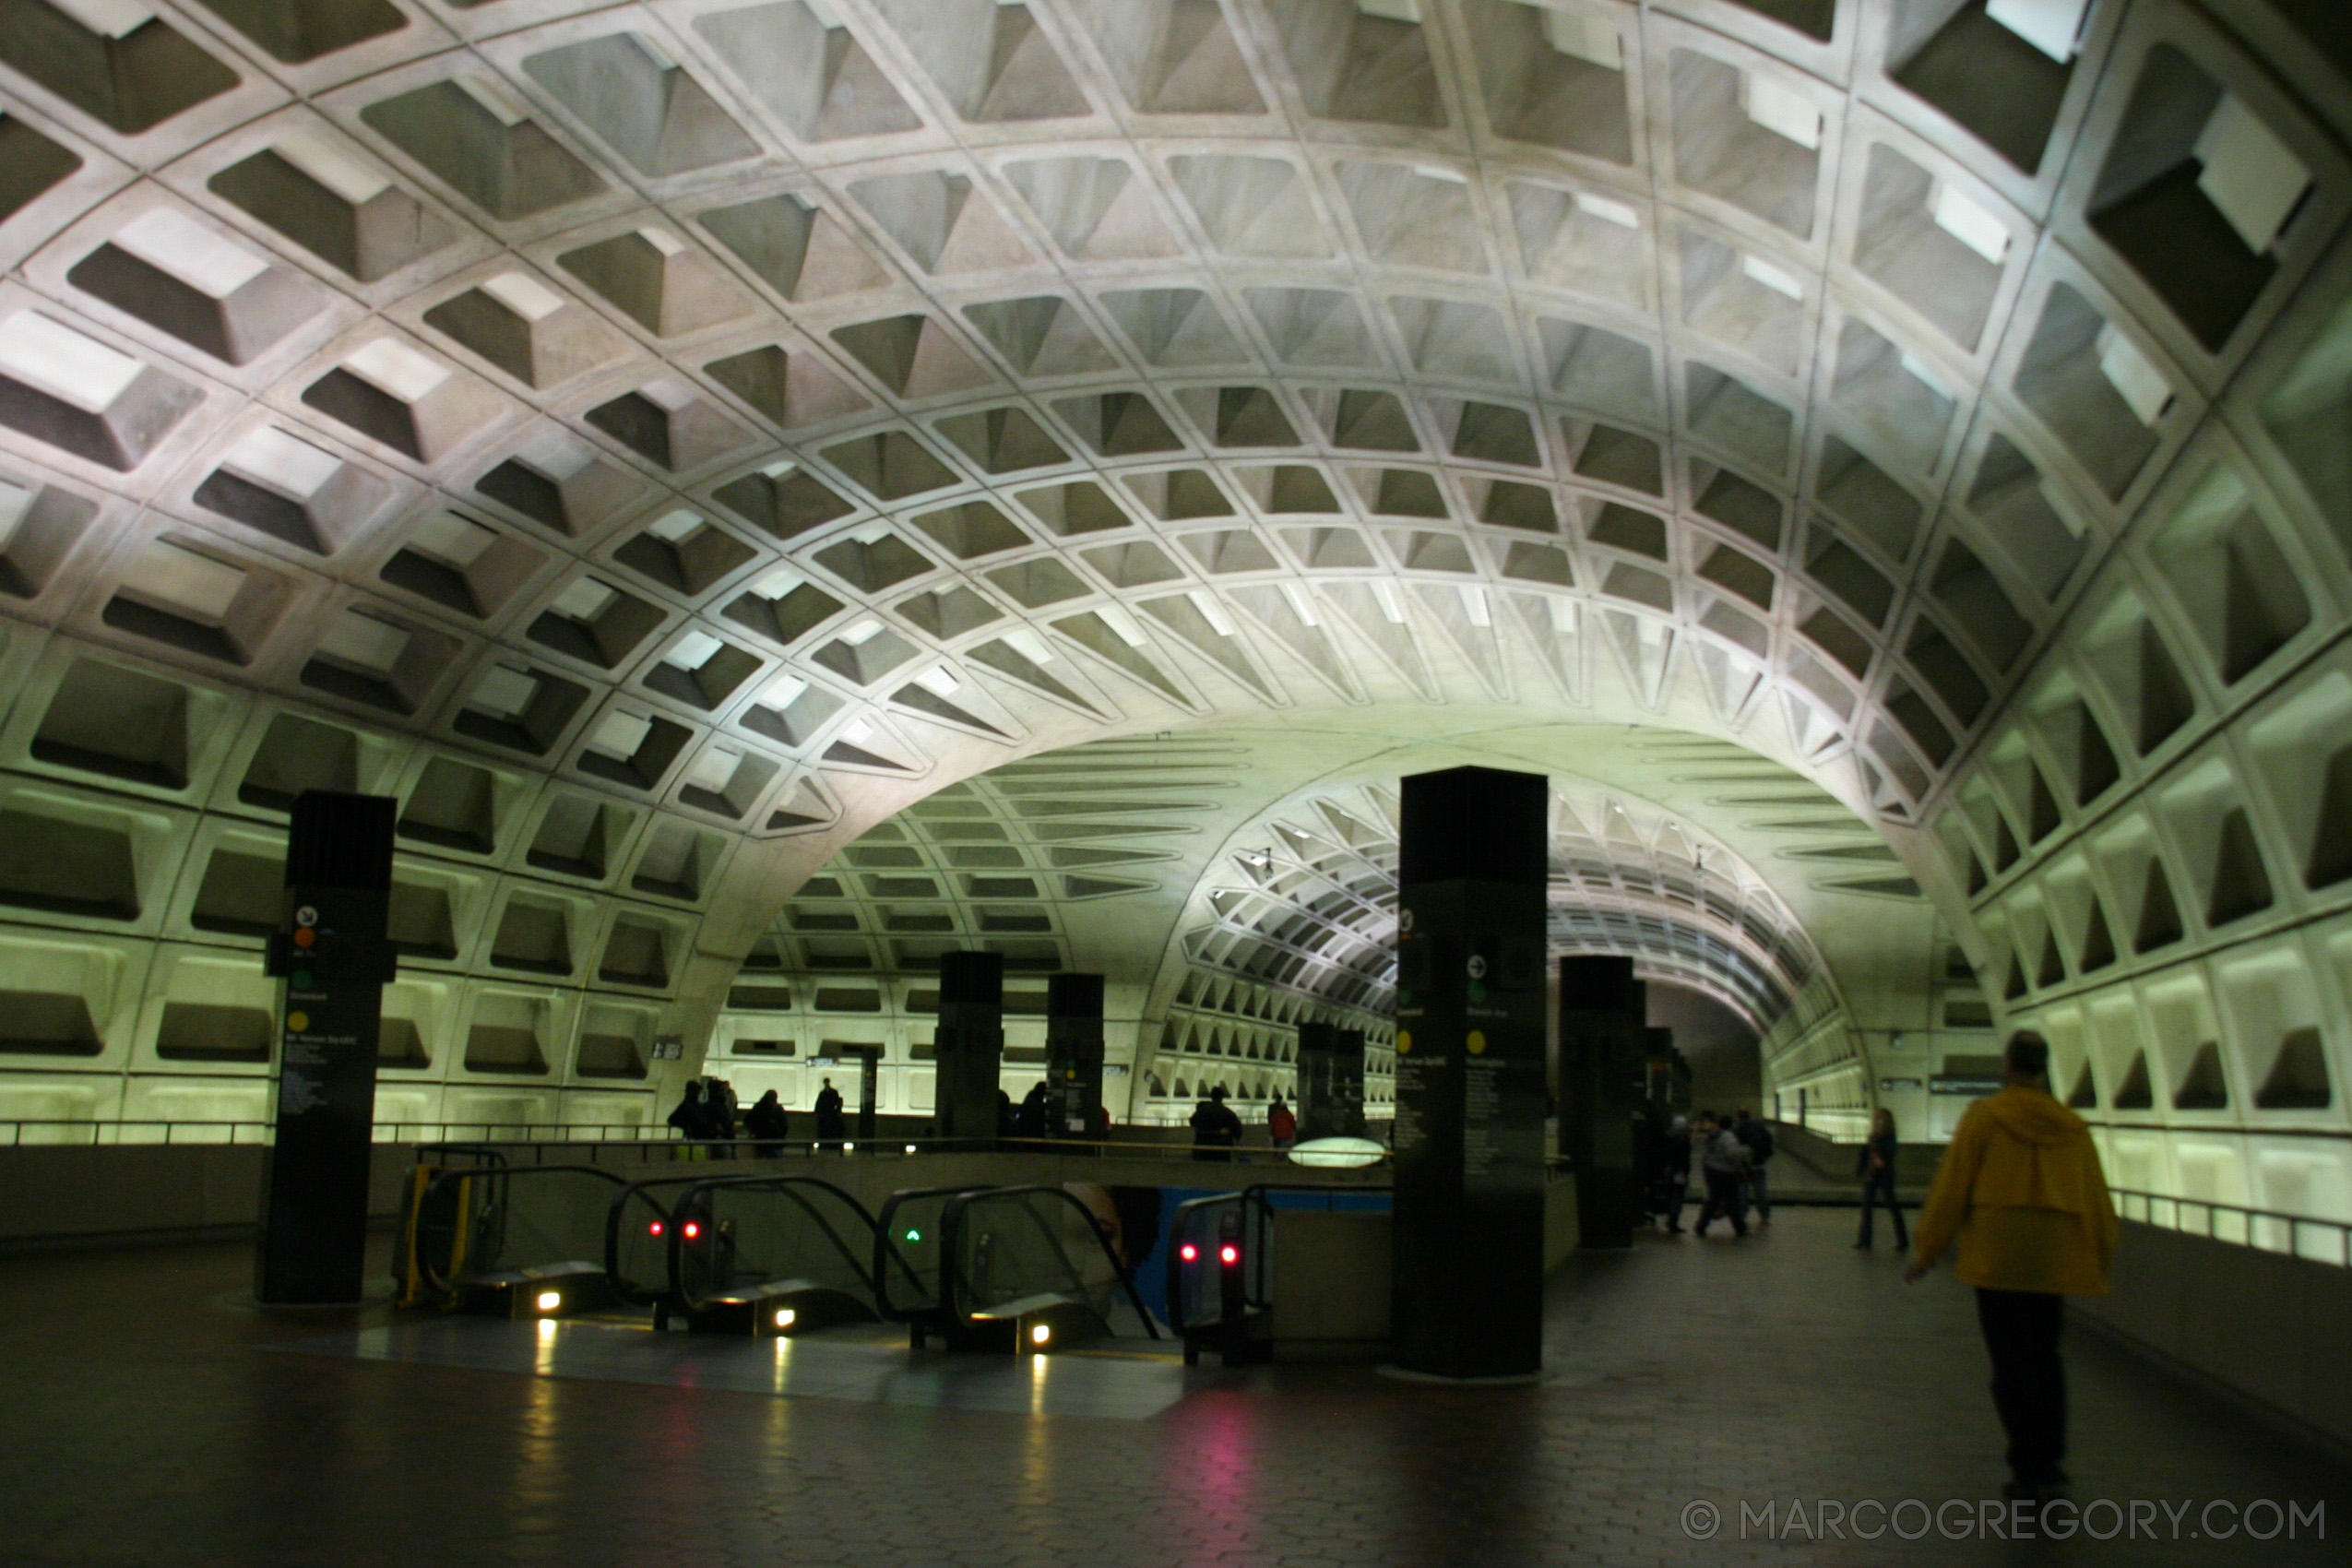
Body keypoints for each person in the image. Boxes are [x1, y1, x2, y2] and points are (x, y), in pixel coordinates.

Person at [1907, 1033, 2119, 1502]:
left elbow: (1953, 1188)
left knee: (2010, 1365)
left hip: (1997, 1260)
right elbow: (2097, 1199)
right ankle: (2050, 1460)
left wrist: (1926, 1251)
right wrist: (2100, 1257)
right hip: (2053, 1262)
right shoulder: (2072, 1127)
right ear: (2043, 1069)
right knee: (2046, 1359)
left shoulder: (1985, 1118)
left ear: (2007, 1067)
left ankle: (2025, 1465)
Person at [1855, 1107, 1906, 1250]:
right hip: (1871, 1175)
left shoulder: (1889, 1138)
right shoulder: (1873, 1136)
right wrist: (1860, 1170)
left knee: (1892, 1206)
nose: (1877, 1121)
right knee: (1866, 1208)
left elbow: (1888, 1155)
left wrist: (1876, 1149)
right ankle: (1864, 1240)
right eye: (1877, 1118)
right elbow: (1865, 1154)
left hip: (1884, 1175)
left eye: (1880, 1119)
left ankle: (1902, 1240)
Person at [1693, 1113, 1751, 1238]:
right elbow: (1732, 1154)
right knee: (1732, 1200)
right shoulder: (1728, 1137)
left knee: (1713, 1199)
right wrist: (1746, 1151)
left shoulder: (1713, 1135)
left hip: (1711, 1170)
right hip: (1725, 1172)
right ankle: (1740, 1228)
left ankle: (1701, 1225)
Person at [1734, 1109, 1775, 1229]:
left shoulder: (1737, 1129)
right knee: (1760, 1191)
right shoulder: (1759, 1127)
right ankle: (1765, 1216)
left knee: (1742, 1192)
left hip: (1743, 1167)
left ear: (1738, 1117)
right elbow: (1769, 1141)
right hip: (1758, 1164)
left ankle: (1742, 1216)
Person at [1657, 1111, 1692, 1234]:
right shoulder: (1684, 1139)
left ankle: (1669, 1218)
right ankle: (1673, 1221)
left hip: (1668, 1168)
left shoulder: (1668, 1136)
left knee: (1670, 1194)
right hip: (1679, 1170)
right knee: (1678, 1195)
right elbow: (1685, 1158)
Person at [1189, 1086, 1243, 1161]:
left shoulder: (1201, 1111)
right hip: (1221, 1151)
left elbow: (1192, 1122)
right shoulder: (1228, 1113)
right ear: (1222, 1097)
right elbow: (1238, 1132)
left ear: (1211, 1096)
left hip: (1202, 1149)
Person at [744, 1089, 789, 1158]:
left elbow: (748, 1120)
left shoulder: (758, 1107)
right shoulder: (778, 1109)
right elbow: (784, 1125)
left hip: (760, 1138)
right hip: (775, 1139)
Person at [667, 1080, 707, 1149]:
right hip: (694, 1139)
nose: (697, 1093)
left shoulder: (692, 1105)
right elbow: (671, 1119)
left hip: (696, 1138)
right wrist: (686, 1126)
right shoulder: (687, 1106)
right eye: (695, 1090)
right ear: (690, 1091)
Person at [813, 1077, 846, 1150]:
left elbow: (819, 1103)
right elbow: (837, 1102)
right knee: (828, 1130)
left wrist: (816, 1112)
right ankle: (828, 1144)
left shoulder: (824, 1093)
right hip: (829, 1114)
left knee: (826, 1130)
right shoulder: (832, 1092)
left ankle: (826, 1144)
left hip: (827, 1114)